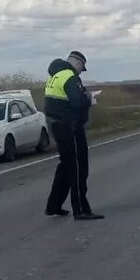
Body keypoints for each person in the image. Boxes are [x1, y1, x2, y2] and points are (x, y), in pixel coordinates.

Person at [43, 50, 104, 220]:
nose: (80, 71)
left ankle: (53, 205)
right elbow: (77, 102)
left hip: (58, 126)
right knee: (78, 168)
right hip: (71, 128)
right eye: (81, 68)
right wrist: (89, 98)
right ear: (77, 63)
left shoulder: (55, 76)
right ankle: (81, 209)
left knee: (66, 166)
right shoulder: (70, 76)